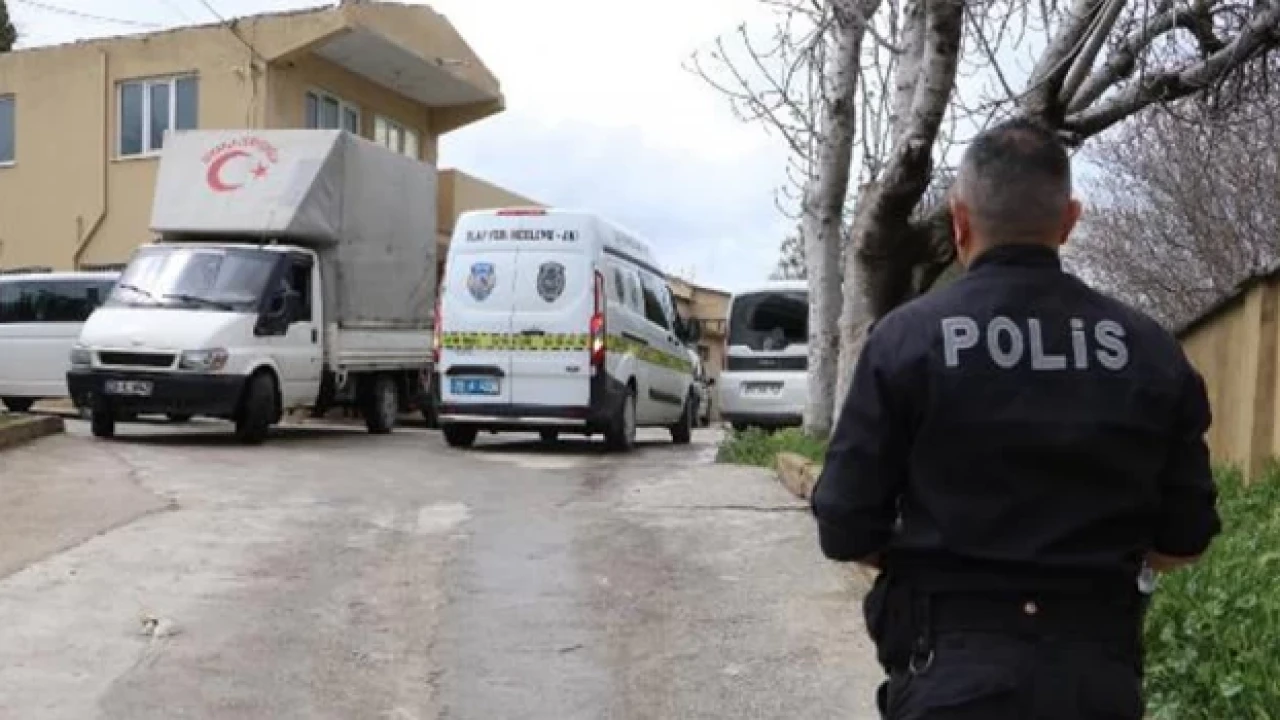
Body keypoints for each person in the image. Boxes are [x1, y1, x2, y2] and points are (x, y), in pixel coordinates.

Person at [810, 118, 1221, 720]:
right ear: (1070, 220)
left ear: (959, 222)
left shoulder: (905, 341)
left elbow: (844, 525)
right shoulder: (1152, 351)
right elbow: (1185, 539)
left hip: (945, 676)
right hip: (1094, 683)